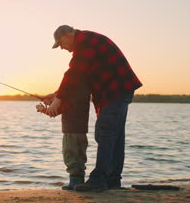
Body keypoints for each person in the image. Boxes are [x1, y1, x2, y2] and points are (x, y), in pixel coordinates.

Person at [46, 25, 142, 192]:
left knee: (105, 133)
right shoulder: (89, 41)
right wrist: (56, 95)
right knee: (115, 137)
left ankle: (98, 179)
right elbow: (80, 78)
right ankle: (113, 181)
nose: (62, 48)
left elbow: (74, 72)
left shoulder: (84, 41)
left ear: (68, 35)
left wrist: (59, 99)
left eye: (61, 43)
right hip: (119, 90)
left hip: (115, 90)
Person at [37, 78, 91, 190]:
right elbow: (63, 102)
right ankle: (79, 181)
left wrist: (42, 109)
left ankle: (74, 182)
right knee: (80, 156)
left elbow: (53, 112)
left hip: (70, 131)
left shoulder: (68, 98)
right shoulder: (81, 95)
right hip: (82, 131)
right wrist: (54, 99)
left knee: (70, 155)